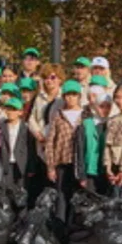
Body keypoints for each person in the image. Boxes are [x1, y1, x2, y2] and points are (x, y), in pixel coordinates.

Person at [45, 80, 84, 223]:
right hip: (62, 161)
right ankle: (61, 226)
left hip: (80, 163)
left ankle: (75, 227)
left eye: (74, 95)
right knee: (61, 195)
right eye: (68, 95)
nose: (71, 98)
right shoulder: (58, 116)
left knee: (79, 196)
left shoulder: (85, 115)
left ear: (79, 96)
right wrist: (50, 166)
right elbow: (50, 141)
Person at [75, 90, 111, 193]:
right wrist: (81, 175)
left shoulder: (111, 124)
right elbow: (80, 150)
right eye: (101, 106)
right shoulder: (86, 124)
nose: (105, 110)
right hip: (89, 170)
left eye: (108, 106)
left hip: (106, 171)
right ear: (95, 106)